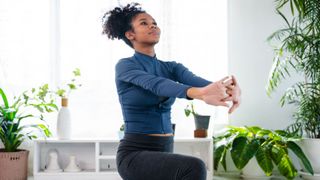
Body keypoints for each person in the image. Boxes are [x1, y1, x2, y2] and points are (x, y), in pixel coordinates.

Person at [102, 3, 241, 180]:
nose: (153, 25)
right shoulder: (125, 66)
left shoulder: (171, 67)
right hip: (134, 154)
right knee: (194, 167)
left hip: (165, 147)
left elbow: (203, 84)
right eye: (144, 23)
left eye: (154, 22)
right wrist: (199, 94)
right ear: (130, 35)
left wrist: (230, 90)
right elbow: (156, 84)